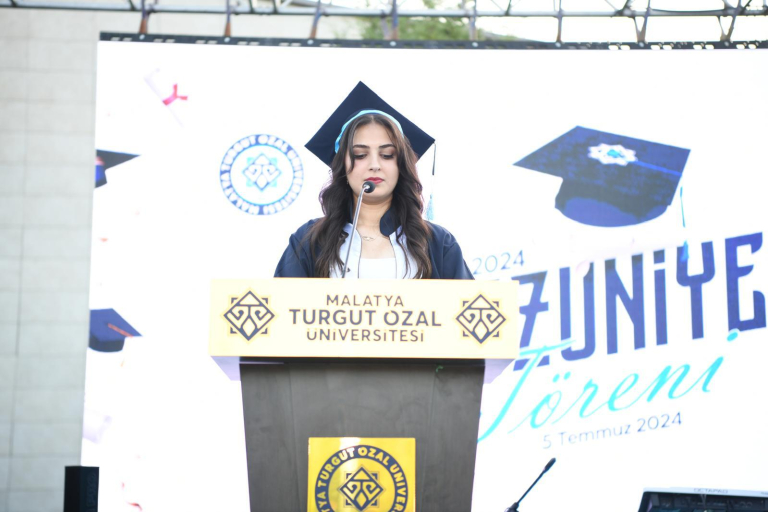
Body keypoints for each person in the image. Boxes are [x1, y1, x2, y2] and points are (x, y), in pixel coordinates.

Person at [275, 82, 473, 280]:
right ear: (342, 165)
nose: (374, 165)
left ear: (401, 165)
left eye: (387, 155)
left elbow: (464, 299)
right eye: (360, 155)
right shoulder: (309, 241)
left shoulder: (437, 243)